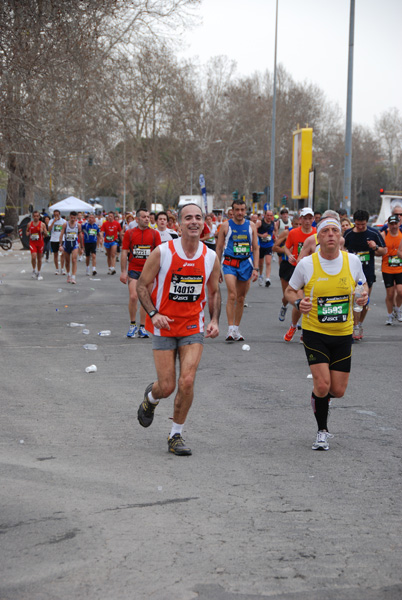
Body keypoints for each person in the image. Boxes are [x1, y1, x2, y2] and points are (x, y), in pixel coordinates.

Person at [136, 203, 221, 456]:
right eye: (188, 218)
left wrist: (215, 320)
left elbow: (214, 292)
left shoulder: (210, 257)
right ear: (179, 224)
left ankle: (176, 435)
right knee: (167, 386)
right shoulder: (163, 252)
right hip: (164, 326)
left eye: (198, 217)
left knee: (187, 381)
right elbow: (142, 286)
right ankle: (151, 398)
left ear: (203, 223)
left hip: (193, 327)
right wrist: (154, 314)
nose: (194, 222)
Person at [285, 216, 368, 451]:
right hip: (315, 333)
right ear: (318, 238)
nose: (331, 234)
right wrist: (298, 303)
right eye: (326, 231)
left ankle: (319, 401)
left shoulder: (352, 261)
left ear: (340, 237)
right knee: (322, 385)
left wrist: (364, 295)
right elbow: (290, 291)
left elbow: (362, 286)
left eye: (335, 230)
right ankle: (322, 431)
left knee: (337, 391)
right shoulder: (307, 265)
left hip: (343, 334)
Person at [216, 199, 259, 342]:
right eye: (237, 210)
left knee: (241, 298)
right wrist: (217, 269)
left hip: (245, 263)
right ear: (232, 211)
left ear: (245, 210)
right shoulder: (226, 225)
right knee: (232, 295)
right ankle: (229, 329)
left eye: (242, 209)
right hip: (229, 263)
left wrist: (256, 268)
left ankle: (236, 328)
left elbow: (256, 247)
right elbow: (219, 248)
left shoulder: (251, 226)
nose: (240, 212)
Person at [343, 209, 386, 340]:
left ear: (367, 222)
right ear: (354, 222)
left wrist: (375, 247)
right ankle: (354, 326)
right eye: (358, 224)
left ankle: (359, 323)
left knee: (364, 301)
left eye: (363, 224)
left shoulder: (373, 233)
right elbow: (341, 249)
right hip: (351, 272)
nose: (360, 227)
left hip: (368, 272)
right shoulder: (348, 233)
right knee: (353, 300)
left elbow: (383, 251)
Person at [120, 208, 162, 338]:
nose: (147, 219)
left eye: (148, 217)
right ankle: (132, 325)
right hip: (134, 269)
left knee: (145, 299)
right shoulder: (130, 233)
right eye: (144, 217)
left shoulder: (155, 234)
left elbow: (160, 254)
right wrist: (123, 271)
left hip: (148, 271)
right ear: (137, 219)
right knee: (133, 296)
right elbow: (124, 252)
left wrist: (159, 272)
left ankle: (142, 327)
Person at [282, 207, 316, 342]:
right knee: (300, 299)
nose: (307, 221)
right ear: (300, 219)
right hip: (298, 269)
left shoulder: (317, 233)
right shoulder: (294, 233)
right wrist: (290, 255)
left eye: (310, 218)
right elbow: (286, 246)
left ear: (313, 220)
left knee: (309, 301)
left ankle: (305, 331)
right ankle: (293, 325)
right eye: (305, 218)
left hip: (314, 271)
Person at [273, 215, 299, 321]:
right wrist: (287, 251)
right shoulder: (287, 233)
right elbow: (274, 247)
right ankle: (284, 306)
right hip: (286, 265)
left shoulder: (306, 234)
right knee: (286, 295)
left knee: (298, 294)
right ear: (292, 224)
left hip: (298, 266)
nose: (298, 226)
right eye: (296, 224)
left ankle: (295, 320)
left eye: (300, 224)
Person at [381, 214, 402, 324]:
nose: (394, 226)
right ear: (388, 224)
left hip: (400, 268)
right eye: (391, 224)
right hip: (387, 268)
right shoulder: (384, 235)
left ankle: (397, 309)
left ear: (399, 223)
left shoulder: (401, 235)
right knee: (390, 294)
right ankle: (389, 316)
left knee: (400, 291)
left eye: (396, 223)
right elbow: (378, 249)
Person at [59, 211, 83, 284]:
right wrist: (60, 245)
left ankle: (73, 277)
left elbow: (80, 235)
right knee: (67, 261)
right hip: (67, 244)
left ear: (76, 218)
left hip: (75, 244)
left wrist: (81, 246)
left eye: (74, 218)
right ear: (69, 217)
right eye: (71, 217)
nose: (73, 219)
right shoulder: (65, 224)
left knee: (74, 260)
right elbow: (61, 234)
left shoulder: (78, 225)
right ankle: (68, 274)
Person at [26, 211, 47, 280]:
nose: (35, 217)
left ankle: (39, 271)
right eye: (34, 216)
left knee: (39, 258)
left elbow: (46, 234)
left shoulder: (42, 224)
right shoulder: (29, 224)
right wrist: (28, 233)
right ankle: (34, 270)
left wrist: (43, 231)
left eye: (37, 216)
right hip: (32, 243)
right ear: (32, 216)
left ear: (39, 217)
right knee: (33, 257)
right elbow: (26, 231)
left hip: (40, 243)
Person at [256, 209, 275, 287]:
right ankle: (261, 275)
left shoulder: (273, 223)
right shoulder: (260, 223)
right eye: (268, 215)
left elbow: (274, 231)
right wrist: (261, 235)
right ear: (264, 215)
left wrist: (275, 237)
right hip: (261, 245)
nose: (269, 217)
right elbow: (253, 230)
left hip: (269, 245)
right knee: (260, 263)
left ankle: (267, 278)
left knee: (268, 262)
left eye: (271, 215)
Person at [48, 209, 67, 275]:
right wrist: (53, 222)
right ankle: (57, 269)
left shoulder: (63, 221)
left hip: (62, 239)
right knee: (55, 254)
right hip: (54, 239)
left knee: (62, 254)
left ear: (59, 215)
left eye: (57, 215)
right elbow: (49, 230)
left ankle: (62, 268)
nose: (56, 216)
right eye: (55, 215)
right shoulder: (51, 221)